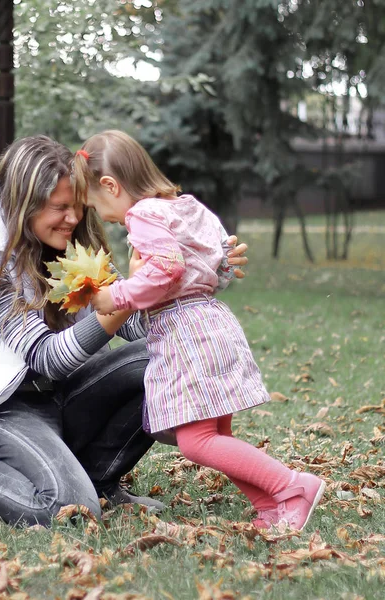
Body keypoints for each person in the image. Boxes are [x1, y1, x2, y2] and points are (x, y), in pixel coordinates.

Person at [0, 134, 249, 527]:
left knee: (162, 349)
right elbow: (47, 357)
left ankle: (98, 477)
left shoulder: (62, 239)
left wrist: (203, 272)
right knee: (65, 509)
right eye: (59, 208)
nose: (74, 218)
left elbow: (135, 325)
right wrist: (125, 298)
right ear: (23, 204)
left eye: (77, 206)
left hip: (62, 396)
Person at [74, 130, 325, 531]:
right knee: (217, 432)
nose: (100, 215)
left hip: (185, 332)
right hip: (212, 321)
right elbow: (214, 265)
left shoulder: (142, 215)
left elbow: (167, 269)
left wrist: (118, 295)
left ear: (110, 185)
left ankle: (294, 486)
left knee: (196, 441)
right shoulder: (187, 207)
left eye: (95, 204)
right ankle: (271, 506)